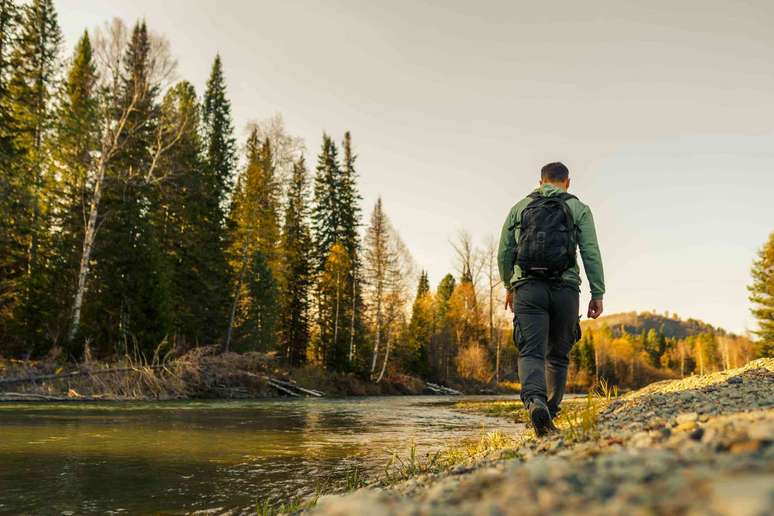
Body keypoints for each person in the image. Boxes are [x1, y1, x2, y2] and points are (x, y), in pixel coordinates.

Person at [497, 162, 605, 436]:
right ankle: (550, 412)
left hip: (528, 288)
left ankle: (535, 402)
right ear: (568, 182)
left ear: (540, 181)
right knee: (557, 355)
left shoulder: (520, 208)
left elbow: (504, 252)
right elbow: (590, 251)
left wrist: (510, 285)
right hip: (565, 289)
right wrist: (597, 293)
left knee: (531, 351)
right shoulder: (578, 208)